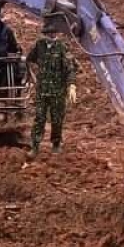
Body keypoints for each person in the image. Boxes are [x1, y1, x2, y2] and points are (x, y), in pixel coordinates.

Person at [25, 19, 78, 159]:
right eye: (49, 34)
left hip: (57, 92)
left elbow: (71, 68)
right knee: (39, 119)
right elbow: (29, 60)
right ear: (45, 34)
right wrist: (32, 78)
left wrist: (71, 85)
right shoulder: (39, 45)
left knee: (57, 119)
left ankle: (56, 145)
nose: (51, 36)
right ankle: (35, 147)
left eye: (54, 33)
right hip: (42, 91)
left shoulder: (62, 47)